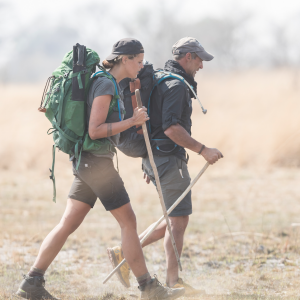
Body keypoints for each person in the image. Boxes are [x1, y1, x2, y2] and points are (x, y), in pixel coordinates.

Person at [16, 38, 185, 300]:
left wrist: (131, 119)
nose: (142, 66)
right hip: (95, 163)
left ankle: (31, 283)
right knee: (129, 221)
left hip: (87, 161)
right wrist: (132, 120)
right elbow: (95, 130)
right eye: (138, 61)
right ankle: (148, 287)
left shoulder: (105, 81)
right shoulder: (105, 84)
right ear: (125, 59)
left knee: (67, 223)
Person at [107, 37, 223, 296]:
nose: (202, 65)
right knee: (179, 219)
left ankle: (131, 253)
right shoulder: (176, 85)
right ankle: (172, 280)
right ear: (189, 56)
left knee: (175, 218)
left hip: (157, 156)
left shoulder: (161, 78)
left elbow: (152, 124)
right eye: (200, 59)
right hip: (167, 158)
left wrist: (149, 160)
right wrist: (204, 150)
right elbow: (171, 128)